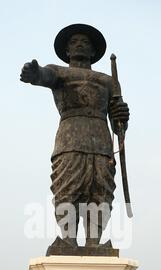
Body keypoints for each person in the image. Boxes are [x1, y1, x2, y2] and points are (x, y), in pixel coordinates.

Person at [20, 24, 129, 252]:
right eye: (74, 42)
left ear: (93, 51)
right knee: (67, 187)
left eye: (85, 42)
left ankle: (93, 242)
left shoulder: (108, 81)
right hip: (70, 139)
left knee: (101, 189)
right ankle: (67, 239)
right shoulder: (60, 72)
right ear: (67, 51)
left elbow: (118, 124)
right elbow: (45, 76)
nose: (80, 44)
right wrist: (35, 74)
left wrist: (121, 117)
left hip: (101, 141)